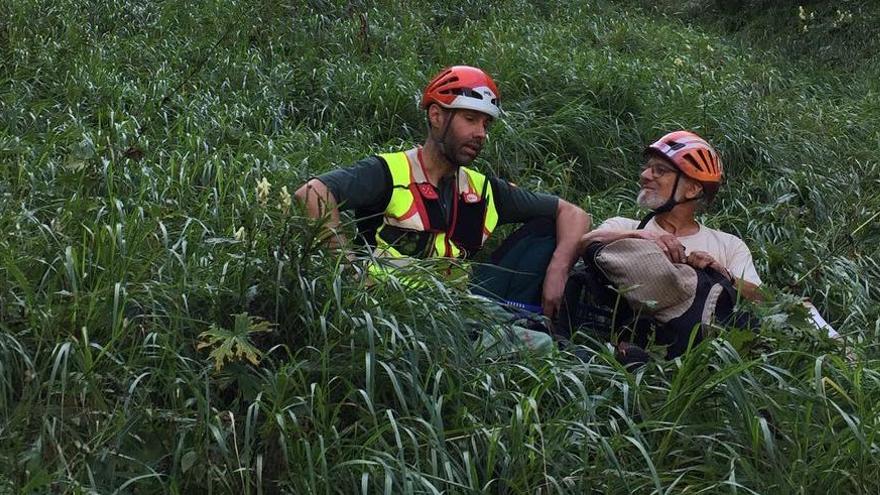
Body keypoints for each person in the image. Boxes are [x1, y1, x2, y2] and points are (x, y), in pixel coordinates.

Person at [295, 65, 590, 317]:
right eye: (470, 119)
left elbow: (574, 213)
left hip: (462, 302)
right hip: (393, 309)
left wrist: (559, 269)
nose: (481, 134)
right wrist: (348, 271)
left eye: (486, 124)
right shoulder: (388, 172)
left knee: (548, 229)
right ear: (436, 116)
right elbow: (312, 193)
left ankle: (532, 324)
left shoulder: (483, 188)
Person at [579, 130, 762, 302]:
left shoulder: (729, 246)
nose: (645, 175)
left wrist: (723, 274)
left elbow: (762, 298)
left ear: (692, 189)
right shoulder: (624, 226)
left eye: (660, 170)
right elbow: (584, 243)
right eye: (648, 167)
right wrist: (640, 236)